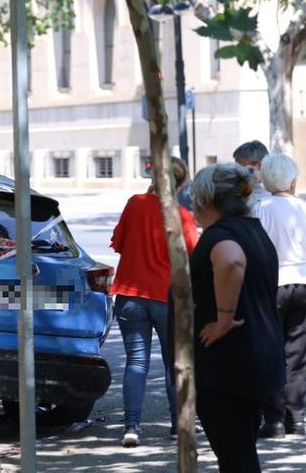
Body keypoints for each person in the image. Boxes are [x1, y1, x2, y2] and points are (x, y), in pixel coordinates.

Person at [190, 163, 285, 473]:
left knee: (236, 459)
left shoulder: (222, 235)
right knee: (240, 453)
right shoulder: (253, 230)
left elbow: (231, 261)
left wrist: (223, 320)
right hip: (253, 361)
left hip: (228, 366)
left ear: (207, 199)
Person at [110, 156, 199, 447]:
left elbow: (119, 244)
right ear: (181, 183)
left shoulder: (134, 204)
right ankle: (178, 425)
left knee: (136, 362)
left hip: (130, 295)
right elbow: (193, 257)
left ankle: (131, 426)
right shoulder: (181, 215)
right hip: (166, 297)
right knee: (175, 363)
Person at [255, 153, 306, 438]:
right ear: (291, 180)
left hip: (268, 285)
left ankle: (273, 420)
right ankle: (296, 419)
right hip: (302, 283)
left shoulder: (259, 208)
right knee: (298, 353)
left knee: (269, 350)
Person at [233, 140, 271, 212]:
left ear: (260, 165)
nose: (237, 172)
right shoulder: (235, 191)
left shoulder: (273, 194)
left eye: (241, 168)